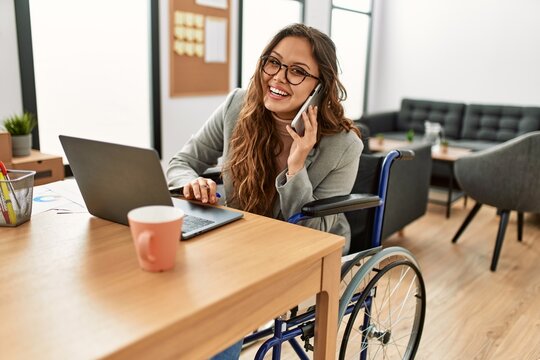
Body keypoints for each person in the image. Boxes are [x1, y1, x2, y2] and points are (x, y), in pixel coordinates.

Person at [166, 23, 363, 359]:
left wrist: (297, 165)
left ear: (320, 87)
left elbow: (312, 236)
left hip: (294, 256)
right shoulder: (237, 105)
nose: (278, 77)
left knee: (219, 305)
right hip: (235, 241)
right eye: (273, 62)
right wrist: (189, 181)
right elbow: (182, 161)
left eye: (298, 71)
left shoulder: (344, 147)